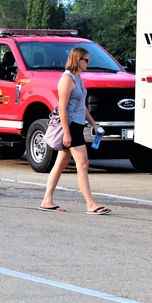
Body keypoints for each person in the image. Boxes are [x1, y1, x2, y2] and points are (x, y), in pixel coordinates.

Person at [39, 47, 110, 214]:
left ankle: (47, 200)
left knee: (62, 162)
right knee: (83, 163)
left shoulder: (78, 78)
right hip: (69, 126)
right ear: (77, 60)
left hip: (76, 125)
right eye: (86, 60)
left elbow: (81, 106)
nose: (89, 63)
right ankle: (91, 204)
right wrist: (67, 133)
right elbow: (62, 108)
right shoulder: (67, 79)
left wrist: (94, 124)